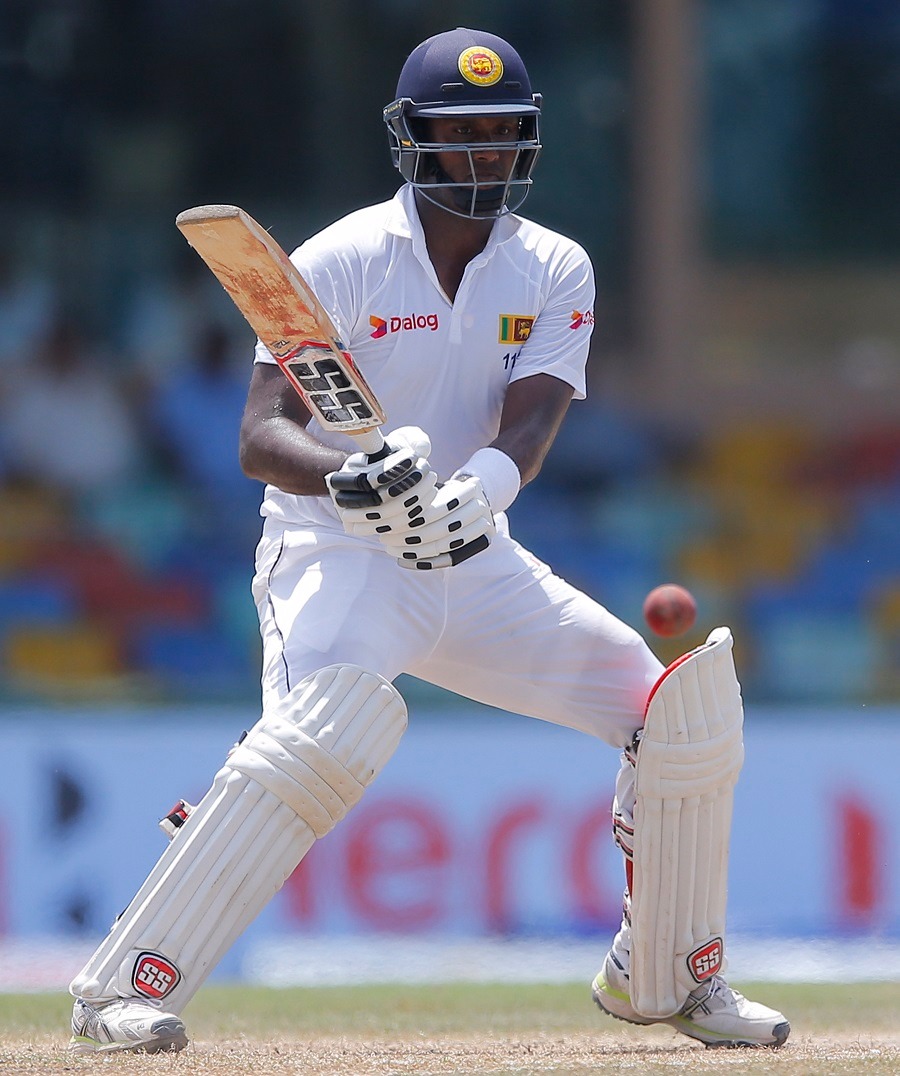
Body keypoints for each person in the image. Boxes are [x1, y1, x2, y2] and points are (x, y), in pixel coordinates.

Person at [67, 27, 789, 1054]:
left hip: (471, 554)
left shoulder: (552, 265)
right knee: (316, 742)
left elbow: (532, 420)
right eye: (465, 134)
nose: (488, 153)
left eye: (505, 133)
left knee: (676, 714)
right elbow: (262, 437)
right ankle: (119, 992)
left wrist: (481, 490)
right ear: (416, 142)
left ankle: (669, 973)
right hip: (338, 555)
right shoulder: (343, 259)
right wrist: (351, 478)